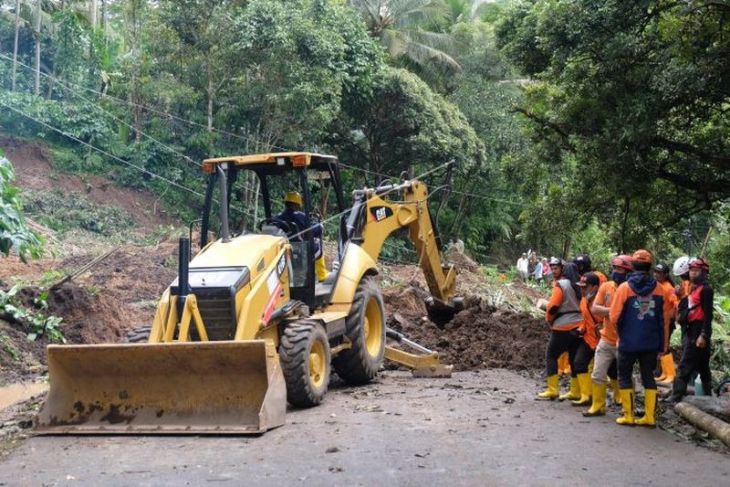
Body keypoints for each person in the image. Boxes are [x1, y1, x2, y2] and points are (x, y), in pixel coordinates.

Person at [609, 249, 674, 427]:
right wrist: (663, 346)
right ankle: (649, 417)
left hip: (628, 342)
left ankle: (628, 415)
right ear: (649, 267)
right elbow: (665, 321)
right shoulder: (661, 290)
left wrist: (622, 331)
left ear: (633, 266)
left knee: (624, 376)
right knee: (648, 378)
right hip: (651, 343)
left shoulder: (624, 288)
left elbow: (614, 317)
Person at [583, 255, 632, 416]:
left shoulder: (631, 289)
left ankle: (628, 410)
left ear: (628, 271)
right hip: (606, 339)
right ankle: (598, 406)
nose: (616, 272)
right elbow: (595, 308)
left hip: (625, 340)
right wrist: (614, 311)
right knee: (597, 373)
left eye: (619, 269)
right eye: (615, 268)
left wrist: (610, 312)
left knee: (626, 376)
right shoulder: (606, 287)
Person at [536, 258, 584, 401]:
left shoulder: (561, 285)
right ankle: (575, 391)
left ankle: (553, 389)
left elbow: (553, 306)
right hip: (578, 325)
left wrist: (549, 320)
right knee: (574, 357)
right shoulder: (580, 285)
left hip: (562, 326)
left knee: (551, 355)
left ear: (564, 270)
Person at [669, 257, 714, 402]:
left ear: (704, 272)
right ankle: (708, 394)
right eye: (692, 271)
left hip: (698, 330)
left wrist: (704, 335)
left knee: (685, 364)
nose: (693, 274)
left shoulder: (706, 290)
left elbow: (708, 315)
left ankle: (676, 396)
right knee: (702, 365)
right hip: (691, 329)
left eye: (697, 271)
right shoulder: (695, 288)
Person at [277, 192, 327, 282]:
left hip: (283, 250)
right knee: (317, 245)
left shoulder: (278, 217)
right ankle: (322, 276)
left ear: (286, 204)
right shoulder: (300, 216)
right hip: (300, 250)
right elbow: (312, 231)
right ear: (297, 204)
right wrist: (320, 227)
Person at [572, 272, 603, 406]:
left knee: (611, 371)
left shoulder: (602, 301)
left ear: (595, 287)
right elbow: (585, 319)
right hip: (589, 339)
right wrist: (581, 328)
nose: (582, 290)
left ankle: (617, 398)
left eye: (585, 287)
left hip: (604, 341)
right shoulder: (584, 301)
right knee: (578, 363)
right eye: (581, 287)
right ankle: (586, 396)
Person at [654, 263, 678, 383]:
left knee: (665, 347)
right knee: (660, 347)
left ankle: (670, 374)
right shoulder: (657, 285)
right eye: (655, 272)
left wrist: (675, 315)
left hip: (666, 321)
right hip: (658, 322)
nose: (656, 275)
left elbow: (675, 302)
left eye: (659, 272)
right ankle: (664, 373)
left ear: (665, 274)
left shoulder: (668, 287)